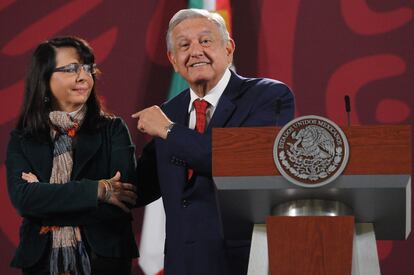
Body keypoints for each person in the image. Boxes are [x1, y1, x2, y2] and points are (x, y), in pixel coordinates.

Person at [132, 9, 295, 275]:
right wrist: (96, 185)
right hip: (181, 264)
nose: (195, 51)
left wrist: (170, 131)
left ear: (228, 48)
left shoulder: (268, 96)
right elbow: (140, 186)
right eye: (184, 45)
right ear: (173, 60)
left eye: (205, 41)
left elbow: (240, 162)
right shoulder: (170, 111)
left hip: (243, 263)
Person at [6, 36, 139, 275]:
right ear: (44, 78)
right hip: (41, 262)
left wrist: (47, 195)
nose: (83, 77)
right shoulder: (23, 138)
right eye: (70, 69)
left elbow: (123, 199)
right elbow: (24, 199)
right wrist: (97, 191)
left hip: (104, 260)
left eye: (87, 68)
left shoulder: (113, 130)